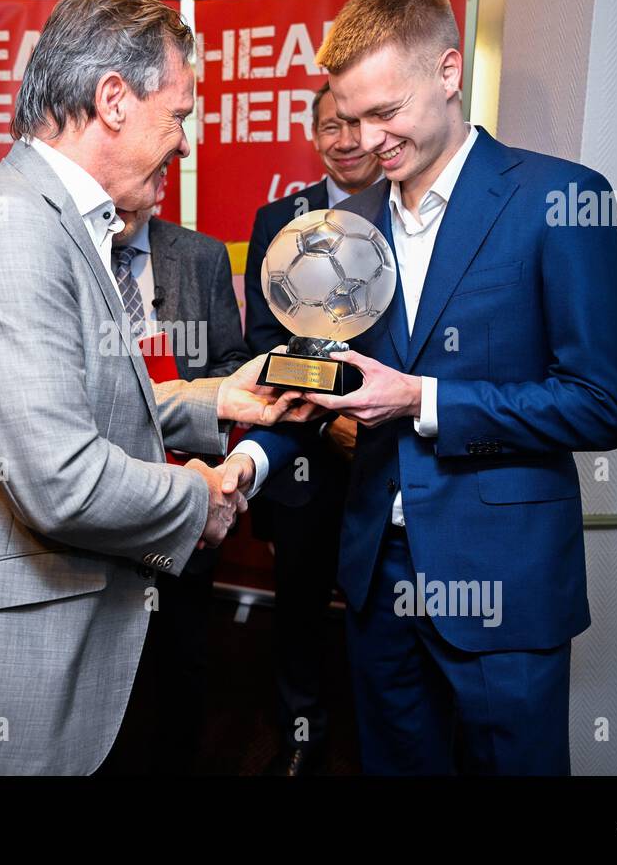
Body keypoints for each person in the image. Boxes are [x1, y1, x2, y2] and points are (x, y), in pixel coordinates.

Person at [0, 0, 312, 776]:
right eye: (177, 115)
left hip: (73, 629)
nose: (184, 143)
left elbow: (83, 399)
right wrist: (202, 502)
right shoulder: (6, 230)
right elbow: (59, 478)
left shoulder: (65, 224)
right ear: (114, 99)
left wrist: (219, 398)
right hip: (7, 665)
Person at [227, 0, 617, 774]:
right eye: (348, 120)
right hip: (377, 579)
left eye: (388, 112)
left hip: (507, 579)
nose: (366, 140)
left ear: (450, 72)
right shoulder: (345, 235)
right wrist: (243, 466)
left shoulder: (561, 199)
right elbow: (317, 389)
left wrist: (424, 399)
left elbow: (602, 404)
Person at [242, 82, 381, 775]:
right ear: (314, 134)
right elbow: (266, 342)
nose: (346, 140)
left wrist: (373, 418)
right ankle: (301, 731)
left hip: (397, 450)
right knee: (298, 600)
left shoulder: (411, 211)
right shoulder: (279, 219)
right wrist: (332, 423)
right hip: (306, 448)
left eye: (358, 125)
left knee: (384, 601)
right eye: (332, 126)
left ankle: (377, 732)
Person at [107, 204, 251, 773]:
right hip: (96, 493)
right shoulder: (62, 249)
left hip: (187, 487)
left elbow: (234, 361)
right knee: (100, 654)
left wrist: (194, 408)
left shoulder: (200, 255)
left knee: (182, 648)